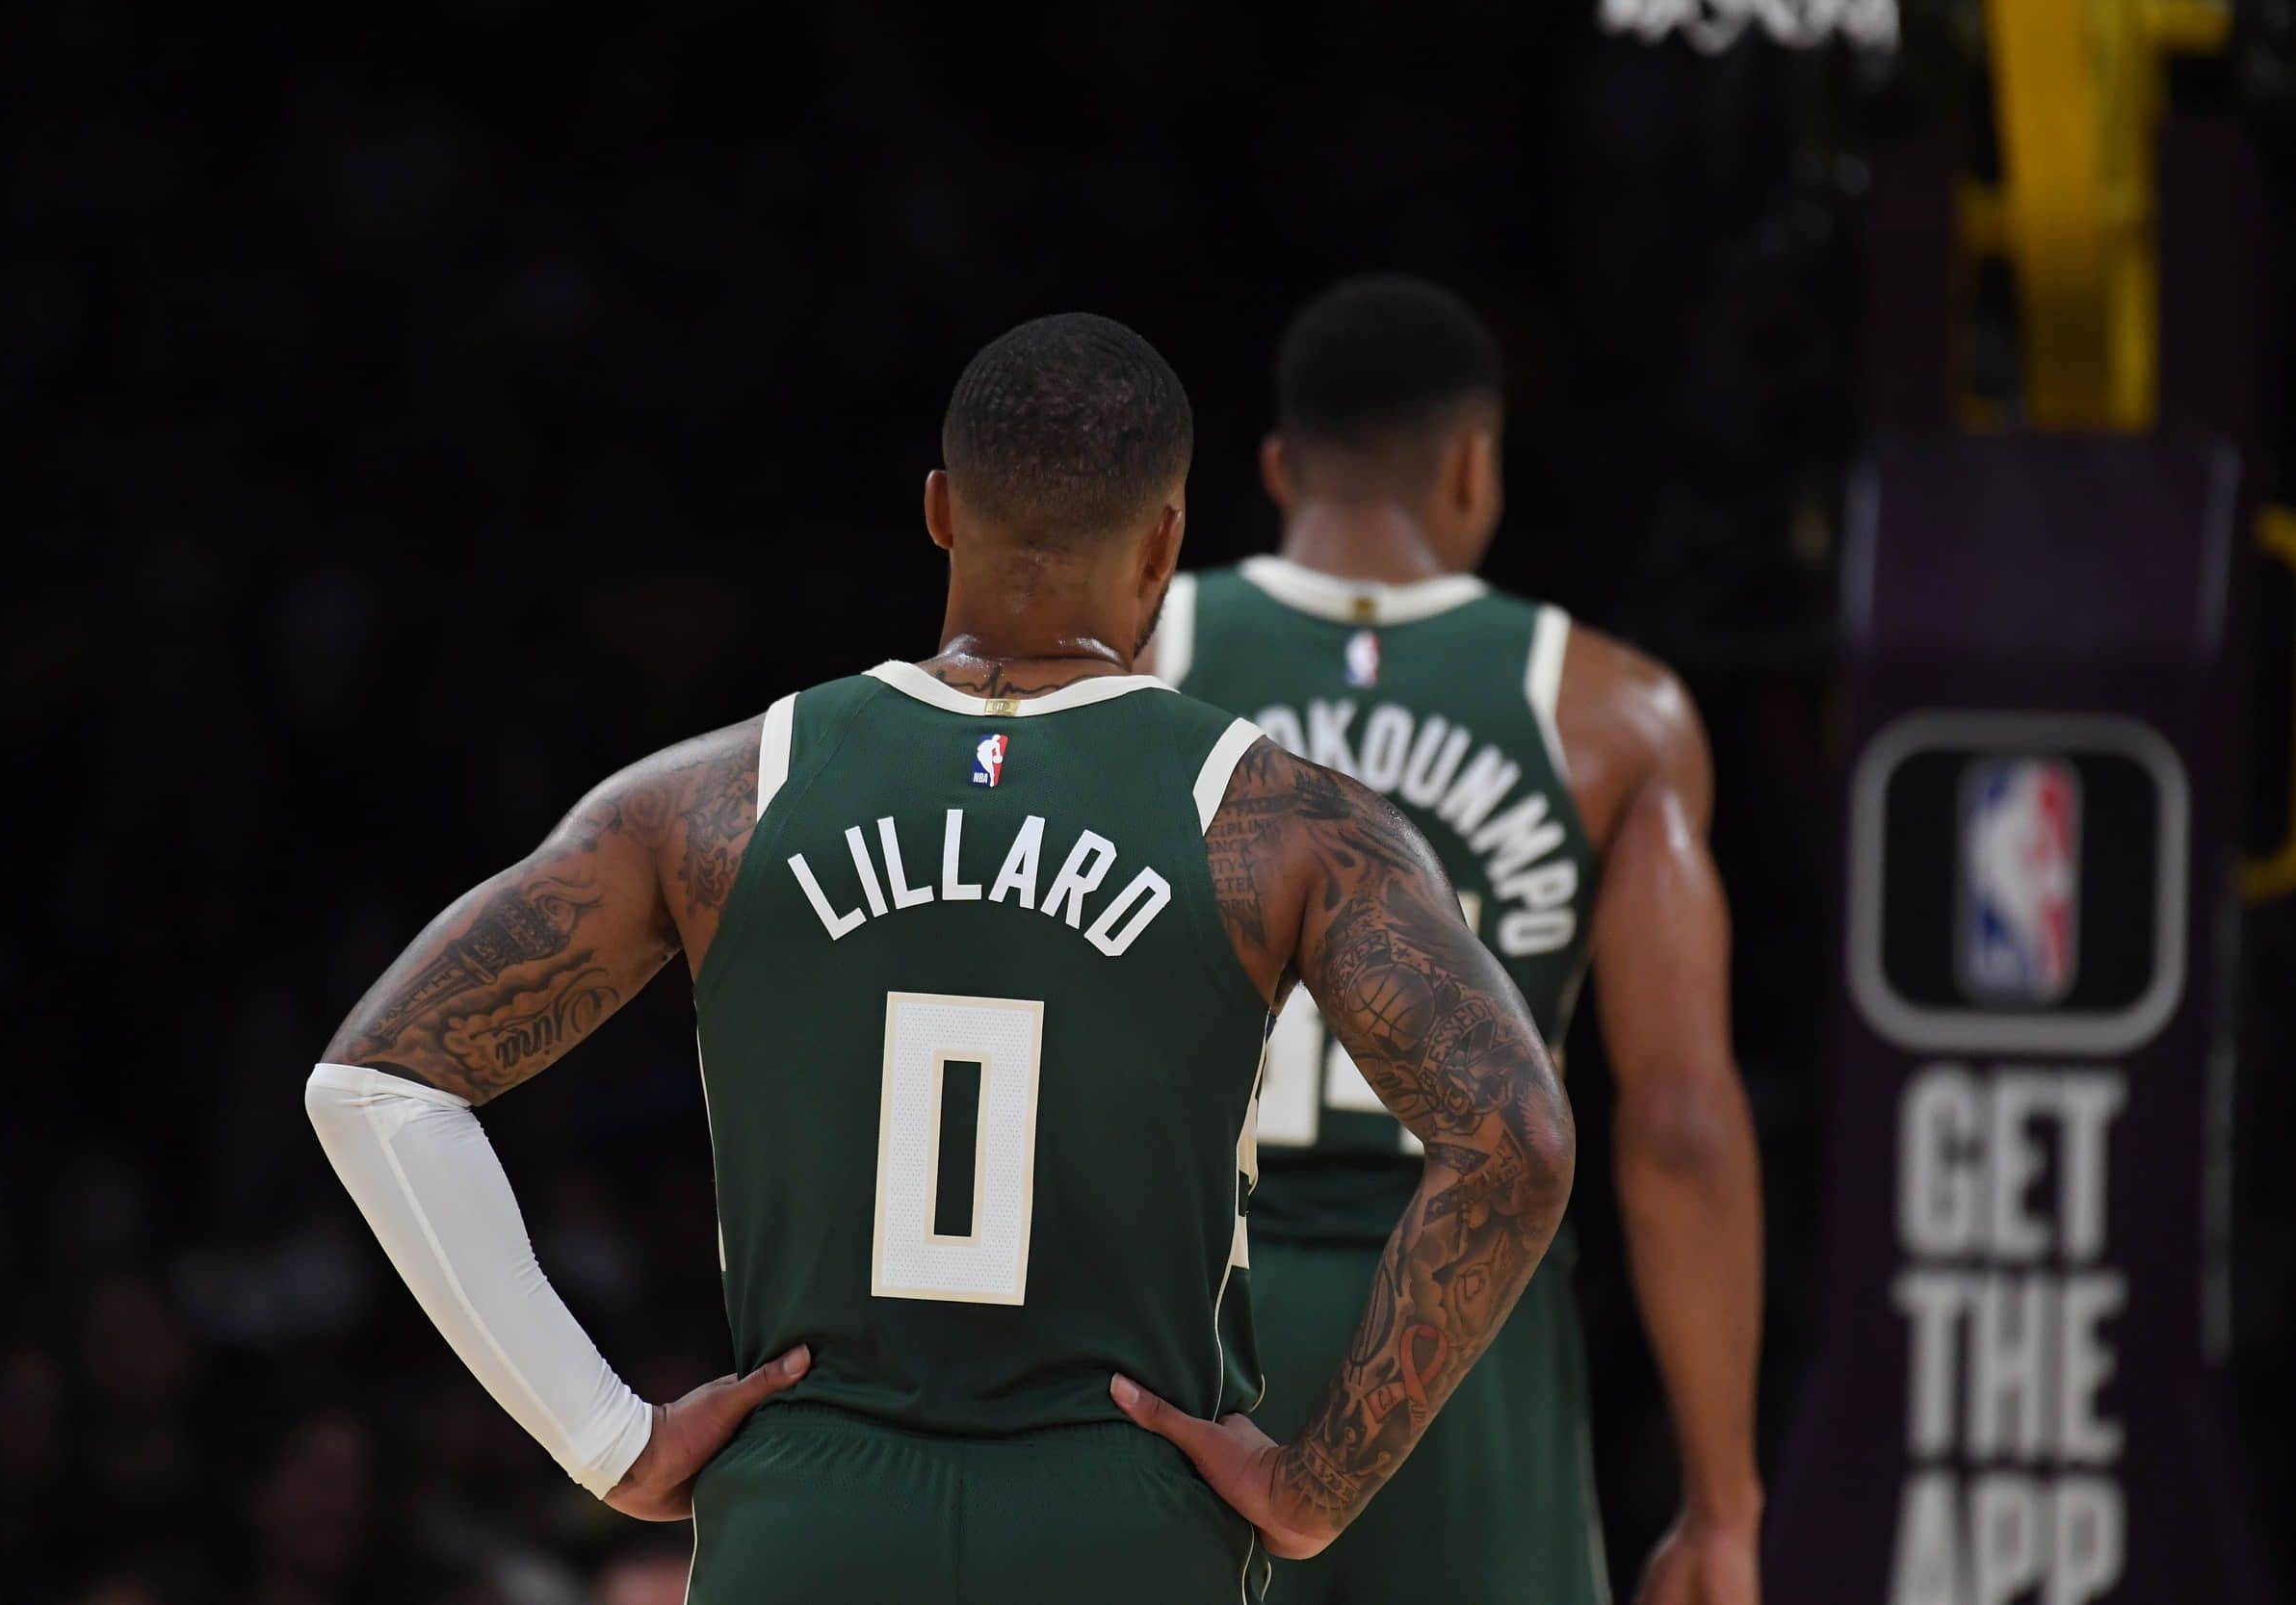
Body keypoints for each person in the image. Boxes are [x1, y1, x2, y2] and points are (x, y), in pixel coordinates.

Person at [305, 312, 1577, 1603]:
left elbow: (373, 1086)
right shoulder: (1286, 823)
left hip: (808, 1514)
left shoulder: (719, 796)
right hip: (1124, 1522)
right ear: (1168, 540)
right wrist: (1313, 1492)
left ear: (938, 510)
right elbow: (1518, 1144)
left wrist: (607, 1437)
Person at [1149, 276, 1764, 1605]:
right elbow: (1678, 1126)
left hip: (1190, 1326)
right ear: (1475, 467)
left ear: (1277, 467)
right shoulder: (1613, 713)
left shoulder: (1143, 656)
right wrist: (1723, 1504)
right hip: (1466, 1334)